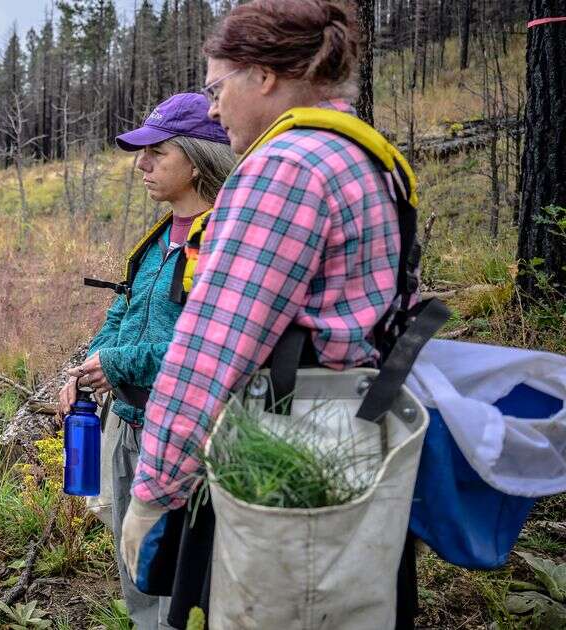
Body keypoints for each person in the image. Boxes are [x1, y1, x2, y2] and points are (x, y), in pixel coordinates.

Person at [119, 1, 424, 627]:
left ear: (262, 76)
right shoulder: (369, 159)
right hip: (362, 442)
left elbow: (212, 351)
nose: (211, 108)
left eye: (216, 86)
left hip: (287, 465)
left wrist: (153, 491)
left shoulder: (283, 168)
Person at [58, 93, 235, 630]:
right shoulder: (157, 239)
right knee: (133, 559)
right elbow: (125, 307)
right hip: (128, 423)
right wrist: (91, 363)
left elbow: (203, 347)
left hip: (186, 435)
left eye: (157, 152)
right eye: (143, 152)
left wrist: (117, 362)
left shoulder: (224, 238)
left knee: (182, 574)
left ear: (198, 155)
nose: (142, 164)